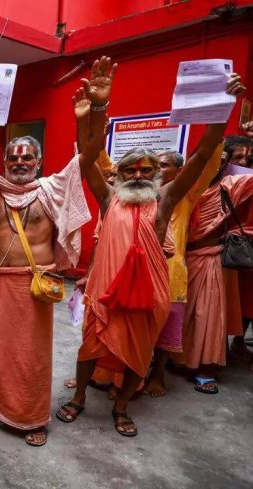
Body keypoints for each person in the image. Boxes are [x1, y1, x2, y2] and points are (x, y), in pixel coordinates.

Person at [59, 57, 244, 436]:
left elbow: (205, 152)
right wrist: (95, 109)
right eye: (131, 170)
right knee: (90, 349)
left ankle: (123, 406)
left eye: (146, 169)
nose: (139, 175)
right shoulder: (109, 198)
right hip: (106, 292)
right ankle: (78, 397)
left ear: (156, 174)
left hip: (149, 294)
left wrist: (223, 107)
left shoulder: (165, 199)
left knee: (138, 354)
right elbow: (87, 157)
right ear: (120, 175)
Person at [0, 80, 92, 445]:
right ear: (4, 163)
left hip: (35, 284)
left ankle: (31, 417)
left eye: (26, 158)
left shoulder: (50, 189)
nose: (19, 162)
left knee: (30, 355)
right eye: (12, 158)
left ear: (39, 162)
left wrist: (88, 115)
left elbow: (87, 158)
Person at [176, 139, 253, 393]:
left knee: (206, 315)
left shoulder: (230, 186)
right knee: (179, 314)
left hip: (210, 259)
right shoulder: (181, 188)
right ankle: (175, 359)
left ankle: (204, 366)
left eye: (220, 161)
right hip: (178, 259)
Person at [144, 148, 223, 397]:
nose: (158, 169)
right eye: (155, 165)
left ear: (180, 171)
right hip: (140, 273)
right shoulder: (143, 192)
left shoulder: (186, 195)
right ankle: (131, 374)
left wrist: (216, 123)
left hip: (172, 274)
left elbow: (206, 165)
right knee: (138, 326)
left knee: (168, 327)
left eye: (164, 165)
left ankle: (157, 375)